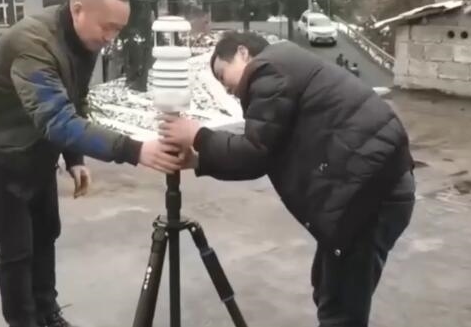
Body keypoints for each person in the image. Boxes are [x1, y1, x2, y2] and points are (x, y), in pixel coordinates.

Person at [0, 0, 184, 327]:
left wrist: (74, 158)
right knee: (17, 248)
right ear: (78, 9)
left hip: (37, 145)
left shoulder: (84, 41)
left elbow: (73, 97)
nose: (110, 38)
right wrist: (133, 150)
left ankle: (48, 314)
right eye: (107, 27)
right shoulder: (32, 44)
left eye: (118, 30)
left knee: (46, 231)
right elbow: (57, 120)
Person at [160, 31, 416, 327]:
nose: (225, 87)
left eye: (222, 74)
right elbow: (263, 156)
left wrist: (198, 135)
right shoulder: (283, 71)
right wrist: (199, 160)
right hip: (369, 192)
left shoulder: (269, 69)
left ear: (243, 52)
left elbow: (254, 151)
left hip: (369, 196)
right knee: (328, 291)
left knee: (340, 310)